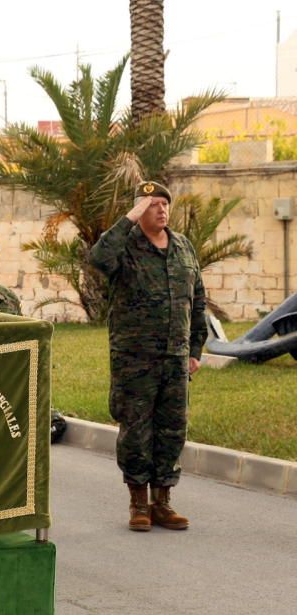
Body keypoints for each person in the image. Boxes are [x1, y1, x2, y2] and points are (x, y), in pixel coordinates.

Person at [89, 181, 206, 532]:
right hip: (135, 359)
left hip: (175, 357)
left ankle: (163, 502)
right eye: (152, 204)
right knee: (137, 431)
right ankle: (138, 502)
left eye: (164, 204)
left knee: (172, 430)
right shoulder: (124, 246)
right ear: (140, 209)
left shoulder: (183, 246)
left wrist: (195, 349)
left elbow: (197, 298)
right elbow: (97, 258)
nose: (161, 209)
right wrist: (129, 217)